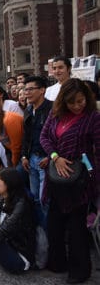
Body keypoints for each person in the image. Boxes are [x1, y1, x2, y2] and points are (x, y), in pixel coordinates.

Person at [40, 78, 100, 283]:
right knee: (55, 223)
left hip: (80, 181)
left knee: (77, 229)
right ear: (63, 101)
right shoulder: (55, 114)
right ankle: (58, 263)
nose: (76, 106)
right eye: (72, 102)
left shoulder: (93, 117)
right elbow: (44, 138)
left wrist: (95, 178)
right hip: (56, 180)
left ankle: (79, 271)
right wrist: (55, 157)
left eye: (80, 101)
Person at [20, 76, 52, 228]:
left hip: (46, 159)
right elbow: (26, 135)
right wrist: (24, 155)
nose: (27, 93)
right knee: (35, 199)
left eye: (31, 89)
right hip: (31, 159)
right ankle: (40, 235)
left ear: (42, 90)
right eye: (25, 89)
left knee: (45, 199)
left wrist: (50, 156)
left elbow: (57, 135)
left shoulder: (52, 109)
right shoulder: (28, 110)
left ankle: (50, 236)